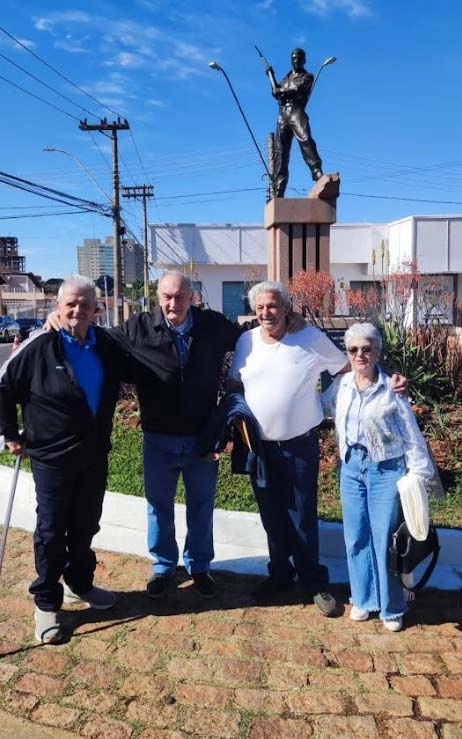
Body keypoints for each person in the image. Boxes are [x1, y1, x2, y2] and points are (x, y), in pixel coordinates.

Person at [0, 275, 129, 643]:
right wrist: (10, 433)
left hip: (93, 454)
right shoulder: (40, 343)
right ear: (58, 306)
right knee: (52, 530)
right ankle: (46, 601)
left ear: (95, 309)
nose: (77, 310)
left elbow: (138, 358)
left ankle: (80, 584)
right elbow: (5, 387)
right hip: (52, 456)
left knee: (86, 525)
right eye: (71, 303)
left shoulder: (105, 343)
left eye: (85, 304)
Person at [111, 271, 244, 599]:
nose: (174, 304)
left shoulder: (211, 324)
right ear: (158, 297)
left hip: (202, 438)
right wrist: (56, 323)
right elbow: (97, 341)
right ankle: (163, 565)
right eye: (168, 297)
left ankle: (199, 566)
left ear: (192, 297)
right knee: (159, 504)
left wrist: (292, 320)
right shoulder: (139, 327)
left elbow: (250, 337)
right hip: (158, 438)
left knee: (202, 504)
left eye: (181, 296)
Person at [229, 280, 349, 616]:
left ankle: (313, 581)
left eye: (273, 306)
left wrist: (326, 403)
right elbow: (235, 382)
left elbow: (346, 369)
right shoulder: (246, 341)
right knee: (272, 516)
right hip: (260, 448)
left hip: (299, 446)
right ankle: (280, 575)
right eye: (261, 307)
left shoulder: (309, 338)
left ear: (286, 308)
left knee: (302, 514)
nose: (267, 313)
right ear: (255, 311)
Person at [321, 323, 433, 632]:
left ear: (378, 352)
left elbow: (410, 432)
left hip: (385, 468)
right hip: (351, 468)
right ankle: (363, 598)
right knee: (356, 535)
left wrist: (419, 473)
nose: (360, 354)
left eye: (367, 348)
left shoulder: (392, 388)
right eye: (354, 349)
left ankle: (391, 606)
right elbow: (320, 407)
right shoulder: (341, 385)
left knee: (386, 539)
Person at [264, 48, 323, 197]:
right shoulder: (285, 79)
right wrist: (270, 77)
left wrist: (281, 91)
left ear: (304, 60)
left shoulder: (308, 77)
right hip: (283, 114)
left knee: (305, 139)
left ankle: (317, 172)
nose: (296, 60)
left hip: (297, 111)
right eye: (294, 58)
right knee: (281, 153)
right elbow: (276, 94)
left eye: (299, 58)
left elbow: (298, 90)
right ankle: (279, 190)